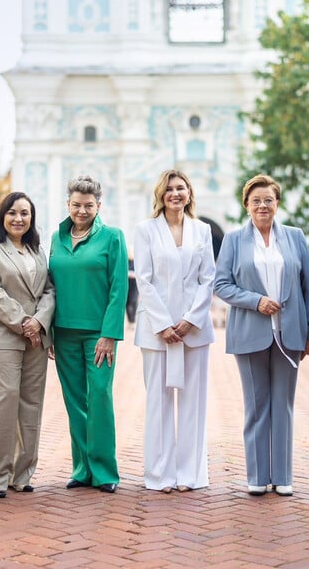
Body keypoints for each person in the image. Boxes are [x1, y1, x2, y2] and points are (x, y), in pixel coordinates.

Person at [215, 174, 309, 496]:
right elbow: (221, 285)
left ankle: (283, 476)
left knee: (283, 406)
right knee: (257, 406)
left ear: (277, 204)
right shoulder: (233, 240)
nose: (263, 205)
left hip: (290, 334)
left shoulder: (294, 237)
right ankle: (258, 477)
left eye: (269, 200)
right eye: (256, 200)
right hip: (250, 333)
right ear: (247, 205)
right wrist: (256, 301)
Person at [134, 170, 216, 493]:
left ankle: (190, 474)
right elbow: (144, 278)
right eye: (169, 189)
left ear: (189, 193)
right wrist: (164, 324)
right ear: (160, 195)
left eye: (181, 188)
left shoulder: (203, 230)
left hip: (194, 330)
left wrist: (190, 319)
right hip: (157, 331)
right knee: (159, 401)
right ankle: (160, 474)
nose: (175, 194)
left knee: (193, 403)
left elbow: (208, 278)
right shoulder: (146, 230)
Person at [48, 176, 128, 494]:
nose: (82, 211)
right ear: (68, 204)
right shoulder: (56, 237)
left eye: (89, 206)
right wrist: (50, 331)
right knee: (74, 402)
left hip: (98, 334)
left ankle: (105, 470)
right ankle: (82, 469)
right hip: (64, 332)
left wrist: (109, 334)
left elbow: (118, 288)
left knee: (100, 397)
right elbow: (49, 286)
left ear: (99, 205)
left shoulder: (112, 237)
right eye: (77, 205)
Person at [0, 192, 55, 498]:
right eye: (12, 212)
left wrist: (39, 322)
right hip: (2, 336)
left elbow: (49, 290)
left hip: (37, 335)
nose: (18, 218)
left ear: (31, 218)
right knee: (2, 403)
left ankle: (20, 474)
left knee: (31, 405)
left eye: (25, 213)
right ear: (2, 215)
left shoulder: (36, 250)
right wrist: (24, 323)